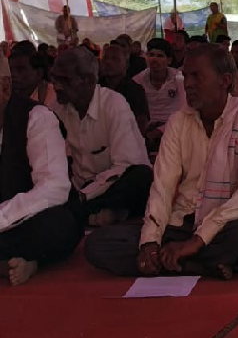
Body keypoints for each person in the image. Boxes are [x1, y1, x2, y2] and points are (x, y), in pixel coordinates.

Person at [85, 44, 238, 279]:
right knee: (98, 244)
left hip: (228, 222)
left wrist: (197, 241)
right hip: (182, 223)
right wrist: (150, 242)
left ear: (224, 81)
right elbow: (162, 187)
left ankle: (175, 261)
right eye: (186, 76)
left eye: (197, 76)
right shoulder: (178, 121)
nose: (188, 84)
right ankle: (196, 265)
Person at [0, 56, 80, 286]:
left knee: (58, 225)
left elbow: (53, 188)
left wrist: (3, 217)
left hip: (29, 220)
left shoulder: (37, 117)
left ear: (5, 87)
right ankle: (11, 264)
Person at [50, 47, 153, 227]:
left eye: (64, 80)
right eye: (53, 78)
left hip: (110, 186)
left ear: (89, 80)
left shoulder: (114, 104)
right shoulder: (57, 109)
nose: (56, 86)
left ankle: (86, 211)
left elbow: (125, 165)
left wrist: (85, 194)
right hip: (80, 190)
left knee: (141, 177)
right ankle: (100, 212)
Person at [132, 38, 186, 152]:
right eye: (151, 55)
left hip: (174, 127)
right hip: (146, 130)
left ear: (169, 60)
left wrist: (160, 131)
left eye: (160, 56)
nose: (154, 59)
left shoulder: (179, 78)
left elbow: (184, 109)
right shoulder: (137, 80)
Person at [99, 41, 149, 137]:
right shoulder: (95, 87)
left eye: (115, 59)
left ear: (126, 64)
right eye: (105, 58)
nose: (108, 62)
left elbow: (141, 124)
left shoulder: (135, 90)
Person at [8, 42, 57, 110]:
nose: (13, 74)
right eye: (10, 69)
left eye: (20, 69)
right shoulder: (7, 94)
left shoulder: (54, 96)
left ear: (38, 73)